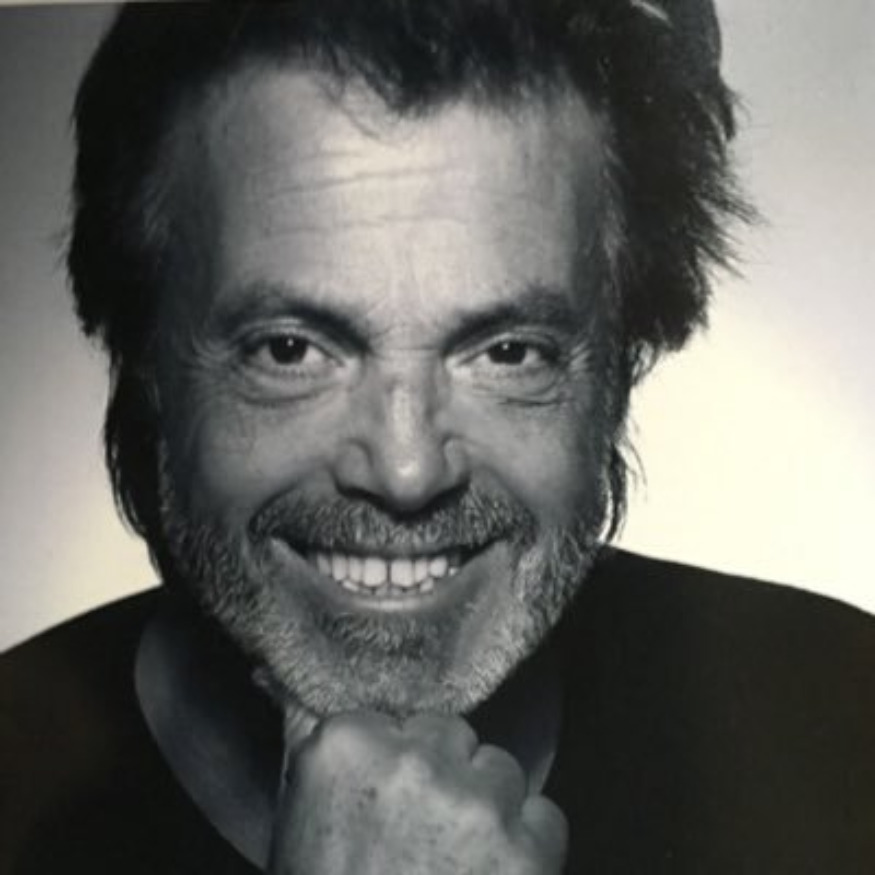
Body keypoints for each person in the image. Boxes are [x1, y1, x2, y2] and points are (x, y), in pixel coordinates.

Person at [2, 1, 873, 872]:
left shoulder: (845, 720)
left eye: (507, 352)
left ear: (621, 365)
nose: (407, 468)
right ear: (147, 363)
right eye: (290, 349)